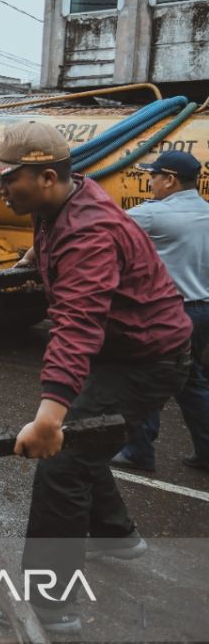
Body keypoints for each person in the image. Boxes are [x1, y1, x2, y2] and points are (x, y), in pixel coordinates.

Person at [0, 122, 191, 635]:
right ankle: (116, 535)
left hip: (146, 359)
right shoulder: (59, 202)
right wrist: (33, 259)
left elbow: (77, 327)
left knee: (64, 460)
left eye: (8, 179)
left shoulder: (88, 232)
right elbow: (54, 246)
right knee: (87, 442)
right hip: (130, 349)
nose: (0, 188)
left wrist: (49, 416)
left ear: (47, 175)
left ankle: (50, 603)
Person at [111, 151, 209, 473]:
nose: (150, 182)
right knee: (190, 381)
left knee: (146, 376)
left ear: (169, 179)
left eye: (153, 176)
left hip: (171, 314)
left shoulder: (154, 214)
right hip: (203, 311)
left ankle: (138, 452)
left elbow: (101, 228)